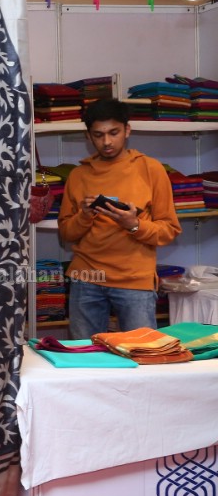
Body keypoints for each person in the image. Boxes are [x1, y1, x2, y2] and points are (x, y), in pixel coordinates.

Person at [59, 98, 181, 338]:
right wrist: (85, 216)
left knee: (141, 355)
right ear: (88, 137)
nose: (106, 142)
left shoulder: (150, 169)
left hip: (134, 279)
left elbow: (169, 230)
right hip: (86, 278)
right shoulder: (78, 175)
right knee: (85, 359)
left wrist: (133, 224)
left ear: (127, 130)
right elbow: (66, 233)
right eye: (98, 135)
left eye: (113, 133)